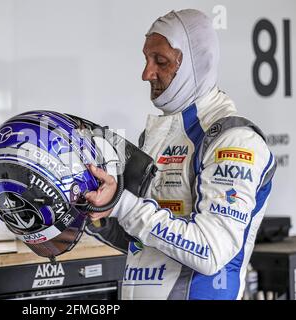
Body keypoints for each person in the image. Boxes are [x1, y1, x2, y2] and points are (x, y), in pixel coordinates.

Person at [84, 9, 276, 300]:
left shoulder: (234, 140)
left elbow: (211, 250)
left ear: (195, 63)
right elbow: (143, 240)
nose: (146, 73)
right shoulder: (158, 136)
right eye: (146, 59)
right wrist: (94, 213)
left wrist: (122, 204)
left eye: (160, 61)